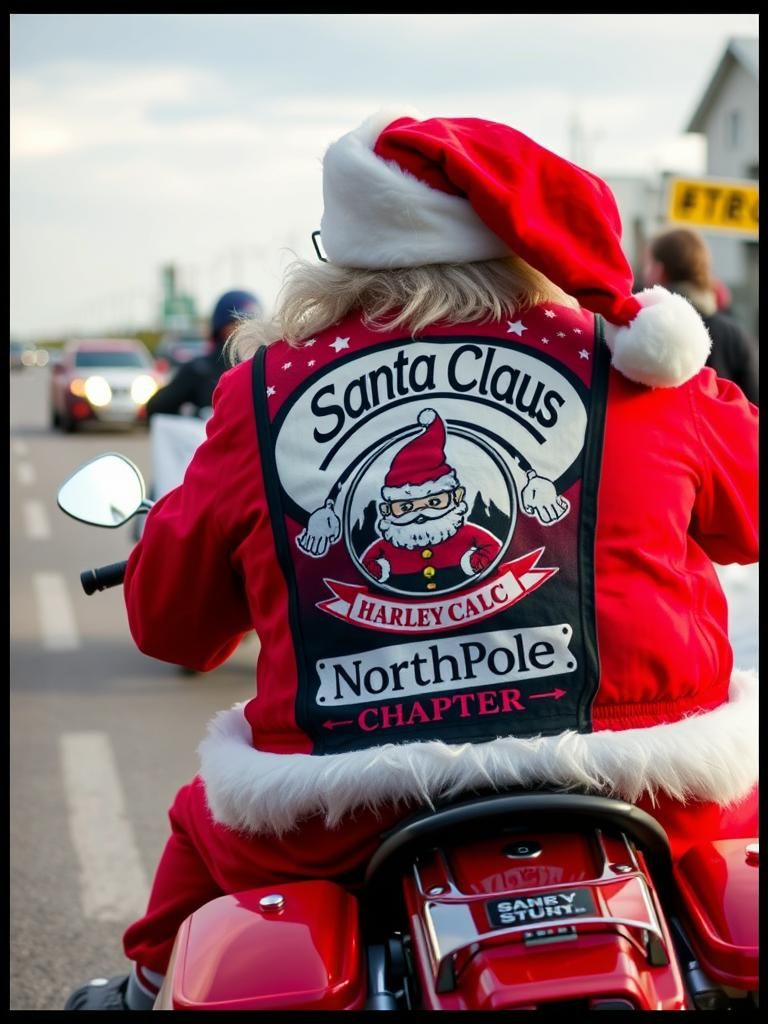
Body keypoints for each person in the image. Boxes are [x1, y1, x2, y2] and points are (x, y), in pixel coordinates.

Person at [66, 112, 758, 1010]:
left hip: (338, 813)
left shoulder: (263, 391)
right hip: (655, 784)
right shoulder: (635, 365)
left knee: (203, 832)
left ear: (342, 257)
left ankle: (129, 994)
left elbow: (171, 625)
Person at [644, 227, 759, 404]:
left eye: (649, 264)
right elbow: (753, 405)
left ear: (659, 270)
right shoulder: (734, 335)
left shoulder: (644, 326)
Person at [146, 289, 262, 419]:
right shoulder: (200, 370)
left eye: (254, 325)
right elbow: (156, 406)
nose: (249, 331)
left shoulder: (264, 368)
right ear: (222, 327)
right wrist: (193, 414)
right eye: (240, 324)